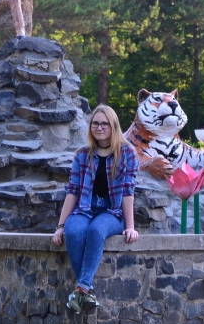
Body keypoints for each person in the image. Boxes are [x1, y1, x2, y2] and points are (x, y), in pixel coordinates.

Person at [52, 104, 139, 312]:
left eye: (104, 124)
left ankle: (81, 289)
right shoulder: (83, 154)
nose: (99, 128)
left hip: (112, 211)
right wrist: (60, 225)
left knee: (96, 230)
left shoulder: (127, 152)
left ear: (113, 126)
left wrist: (130, 226)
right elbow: (72, 191)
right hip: (85, 208)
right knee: (73, 231)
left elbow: (128, 192)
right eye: (95, 123)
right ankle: (86, 290)